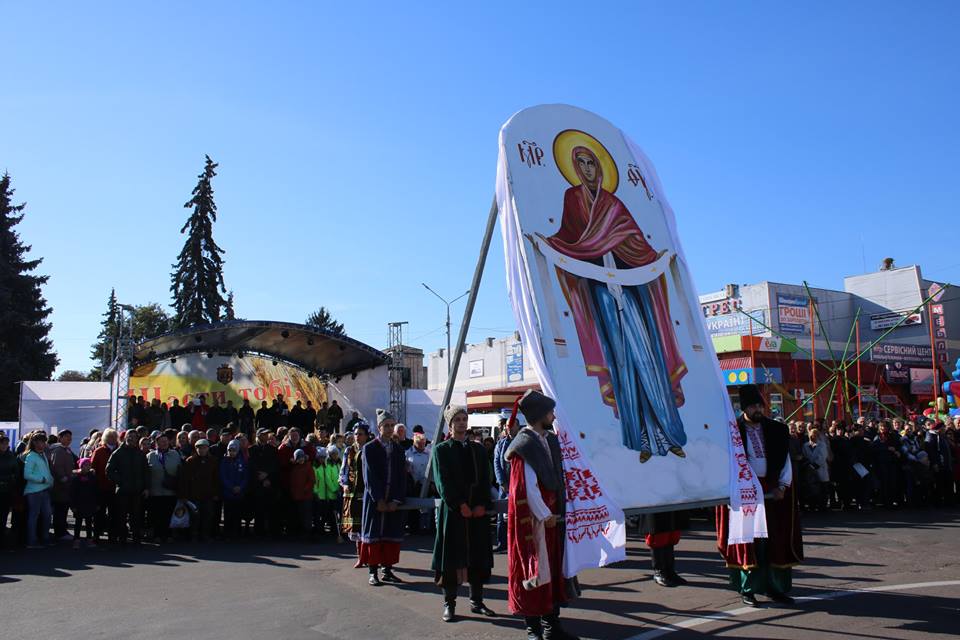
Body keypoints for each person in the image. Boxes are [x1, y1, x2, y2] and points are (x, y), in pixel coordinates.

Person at [717, 384, 803, 607]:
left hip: (773, 490)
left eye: (759, 405)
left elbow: (785, 461)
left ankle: (775, 588)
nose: (758, 409)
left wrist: (782, 486)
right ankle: (748, 589)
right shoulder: (732, 431)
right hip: (745, 493)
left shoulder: (776, 429)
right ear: (744, 407)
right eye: (753, 406)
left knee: (775, 540)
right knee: (749, 541)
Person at [505, 390, 578, 640]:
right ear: (539, 415)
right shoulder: (524, 445)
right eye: (550, 412)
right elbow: (526, 487)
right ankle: (533, 629)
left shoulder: (549, 439)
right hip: (536, 523)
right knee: (535, 573)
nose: (553, 415)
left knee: (554, 571)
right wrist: (544, 515)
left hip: (552, 520)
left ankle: (552, 626)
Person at [431, 405, 496, 622]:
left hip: (477, 515)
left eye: (464, 418)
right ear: (450, 425)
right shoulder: (441, 450)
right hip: (455, 514)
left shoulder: (477, 450)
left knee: (477, 559)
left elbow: (486, 479)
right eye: (457, 419)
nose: (461, 422)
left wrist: (482, 505)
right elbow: (443, 482)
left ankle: (477, 602)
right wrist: (460, 504)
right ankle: (449, 604)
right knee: (450, 560)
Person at [360, 409, 407, 586]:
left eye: (391, 425)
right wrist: (378, 499)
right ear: (379, 428)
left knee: (390, 533)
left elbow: (402, 477)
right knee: (374, 534)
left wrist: (396, 500)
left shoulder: (398, 449)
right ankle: (373, 572)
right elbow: (369, 476)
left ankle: (387, 570)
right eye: (385, 426)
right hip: (375, 500)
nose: (389, 429)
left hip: (392, 499)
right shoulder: (369, 448)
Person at [106, 430, 150, 545]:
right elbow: (109, 470)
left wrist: (146, 487)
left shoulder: (140, 454)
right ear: (125, 438)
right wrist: (120, 481)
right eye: (129, 437)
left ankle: (136, 538)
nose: (132, 439)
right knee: (121, 515)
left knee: (136, 515)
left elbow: (146, 471)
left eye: (134, 437)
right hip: (122, 490)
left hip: (137, 490)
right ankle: (122, 538)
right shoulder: (118, 453)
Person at [178, 439, 220, 541]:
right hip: (194, 494)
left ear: (208, 448)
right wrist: (184, 495)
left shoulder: (213, 461)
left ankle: (205, 534)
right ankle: (194, 535)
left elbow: (216, 479)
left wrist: (216, 493)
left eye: (204, 448)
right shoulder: (190, 461)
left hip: (208, 494)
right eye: (199, 448)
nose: (201, 450)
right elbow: (184, 480)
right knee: (195, 516)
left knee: (208, 515)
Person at [340, 423, 370, 565]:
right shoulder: (349, 450)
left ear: (366, 435)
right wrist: (345, 484)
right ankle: (360, 557)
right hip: (352, 492)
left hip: (366, 491)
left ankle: (369, 557)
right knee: (355, 526)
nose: (358, 437)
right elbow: (344, 469)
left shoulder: (370, 449)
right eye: (356, 434)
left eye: (361, 434)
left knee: (367, 525)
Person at [493, 408, 522, 552]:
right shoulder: (501, 444)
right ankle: (501, 542)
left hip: (520, 484)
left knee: (518, 514)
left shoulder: (523, 441)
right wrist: (501, 482)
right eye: (507, 427)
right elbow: (497, 463)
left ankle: (517, 542)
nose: (509, 429)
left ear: (518, 426)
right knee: (501, 515)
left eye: (512, 426)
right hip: (504, 485)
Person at [146, 434, 182, 543]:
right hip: (155, 491)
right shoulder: (150, 455)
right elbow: (146, 473)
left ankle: (169, 535)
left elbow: (180, 471)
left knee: (169, 513)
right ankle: (157, 534)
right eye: (161, 441)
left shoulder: (175, 454)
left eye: (166, 441)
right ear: (156, 443)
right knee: (157, 514)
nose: (164, 443)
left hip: (171, 491)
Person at [23, 432, 55, 549]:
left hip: (45, 489)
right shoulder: (31, 456)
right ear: (35, 443)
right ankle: (32, 540)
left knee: (47, 515)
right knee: (34, 516)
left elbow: (46, 471)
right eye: (41, 441)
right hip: (34, 491)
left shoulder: (42, 455)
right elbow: (27, 474)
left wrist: (50, 481)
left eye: (44, 441)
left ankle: (44, 538)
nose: (43, 443)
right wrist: (41, 480)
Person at [48, 429, 78, 541]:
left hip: (66, 485)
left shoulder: (67, 450)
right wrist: (63, 478)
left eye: (70, 436)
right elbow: (57, 466)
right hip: (60, 486)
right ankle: (60, 532)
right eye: (66, 436)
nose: (69, 439)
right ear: (60, 437)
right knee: (60, 509)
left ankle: (62, 531)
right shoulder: (58, 450)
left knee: (63, 509)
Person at [249, 429, 280, 537]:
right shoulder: (252, 449)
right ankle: (259, 532)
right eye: (264, 434)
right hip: (257, 484)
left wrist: (267, 476)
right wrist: (260, 477)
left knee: (271, 508)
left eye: (267, 434)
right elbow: (251, 465)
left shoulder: (272, 449)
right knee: (258, 509)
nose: (266, 436)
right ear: (258, 435)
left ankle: (272, 531)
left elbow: (275, 465)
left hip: (270, 483)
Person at [91, 427, 119, 541]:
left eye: (113, 437)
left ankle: (113, 534)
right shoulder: (99, 451)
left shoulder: (119, 450)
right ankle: (97, 534)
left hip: (115, 487)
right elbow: (93, 468)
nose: (112, 439)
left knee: (114, 513)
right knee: (99, 512)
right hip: (101, 487)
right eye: (109, 437)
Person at [220, 440, 249, 539]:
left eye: (234, 450)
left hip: (239, 492)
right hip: (228, 493)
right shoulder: (224, 461)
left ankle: (237, 532)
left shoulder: (242, 461)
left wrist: (240, 487)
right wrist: (231, 487)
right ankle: (227, 532)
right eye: (230, 450)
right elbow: (223, 477)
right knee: (228, 514)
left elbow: (245, 476)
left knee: (238, 513)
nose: (231, 452)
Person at [70, 458, 99, 549]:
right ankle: (76, 540)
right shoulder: (76, 478)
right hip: (79, 504)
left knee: (89, 523)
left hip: (90, 503)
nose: (88, 467)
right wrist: (73, 505)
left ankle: (89, 539)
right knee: (78, 523)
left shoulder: (93, 477)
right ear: (81, 466)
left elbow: (96, 491)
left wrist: (97, 503)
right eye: (85, 465)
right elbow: (72, 493)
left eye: (89, 465)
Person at [802, 428, 830, 511]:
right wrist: (809, 465)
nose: (813, 437)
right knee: (811, 488)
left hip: (820, 469)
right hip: (810, 471)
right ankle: (812, 505)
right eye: (811, 435)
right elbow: (804, 456)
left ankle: (822, 506)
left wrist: (814, 466)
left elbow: (822, 457)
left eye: (815, 435)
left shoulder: (822, 445)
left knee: (822, 488)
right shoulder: (805, 445)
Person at [289, 449, 315, 536]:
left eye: (302, 458)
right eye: (299, 458)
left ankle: (308, 532)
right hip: (297, 495)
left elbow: (311, 480)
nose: (301, 460)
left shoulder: (308, 466)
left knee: (307, 515)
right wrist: (293, 491)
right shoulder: (294, 468)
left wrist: (306, 489)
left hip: (306, 495)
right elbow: (292, 482)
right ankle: (301, 532)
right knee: (299, 514)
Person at [0, 433, 17, 549]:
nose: (5, 445)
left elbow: (16, 471)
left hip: (7, 491)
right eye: (2, 443)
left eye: (6, 443)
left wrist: (11, 479)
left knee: (4, 515)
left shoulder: (11, 456)